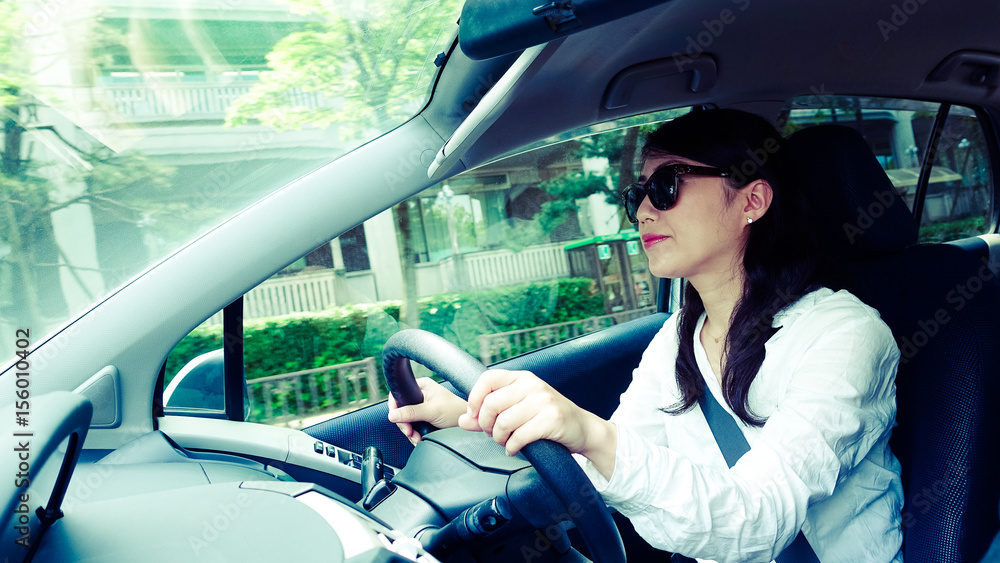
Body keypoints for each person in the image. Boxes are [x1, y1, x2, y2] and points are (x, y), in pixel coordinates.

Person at [387, 108, 903, 562]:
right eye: (639, 192)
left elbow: (759, 520)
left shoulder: (847, 336)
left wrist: (589, 431)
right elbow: (609, 467)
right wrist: (466, 414)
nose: (642, 211)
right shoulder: (682, 333)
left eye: (667, 185)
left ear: (753, 200)